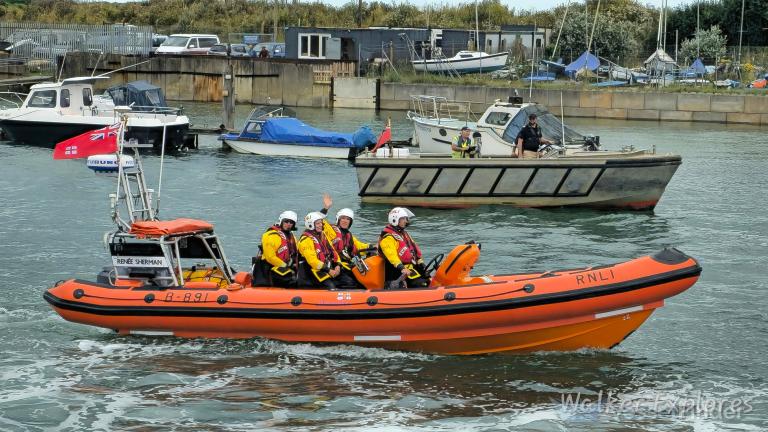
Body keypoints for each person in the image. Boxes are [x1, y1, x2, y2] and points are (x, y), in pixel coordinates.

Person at [298, 212, 358, 290]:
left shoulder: (323, 236)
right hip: (312, 272)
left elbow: (333, 252)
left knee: (350, 282)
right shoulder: (305, 240)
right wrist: (328, 270)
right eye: (318, 223)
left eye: (321, 223)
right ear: (311, 224)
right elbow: (312, 261)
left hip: (327, 268)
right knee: (330, 287)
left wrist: (337, 265)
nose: (321, 225)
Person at [378, 207, 430, 289]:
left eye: (406, 219)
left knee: (428, 279)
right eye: (403, 219)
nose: (406, 221)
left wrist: (421, 263)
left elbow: (414, 251)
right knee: (421, 284)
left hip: (410, 268)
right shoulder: (388, 238)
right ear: (395, 220)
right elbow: (392, 256)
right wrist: (402, 268)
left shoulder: (404, 234)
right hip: (397, 272)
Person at [319, 194, 370, 272]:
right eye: (342, 218)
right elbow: (318, 222)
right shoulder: (331, 229)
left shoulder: (348, 235)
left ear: (350, 222)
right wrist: (325, 208)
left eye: (347, 219)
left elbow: (358, 246)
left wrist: (372, 246)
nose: (345, 221)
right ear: (338, 219)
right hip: (334, 263)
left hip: (345, 263)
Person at [259, 211, 299, 287]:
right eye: (286, 221)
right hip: (272, 268)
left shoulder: (292, 237)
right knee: (292, 281)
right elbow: (270, 257)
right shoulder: (271, 235)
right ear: (281, 221)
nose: (288, 224)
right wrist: (286, 266)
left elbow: (295, 253)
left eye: (291, 222)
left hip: (287, 267)